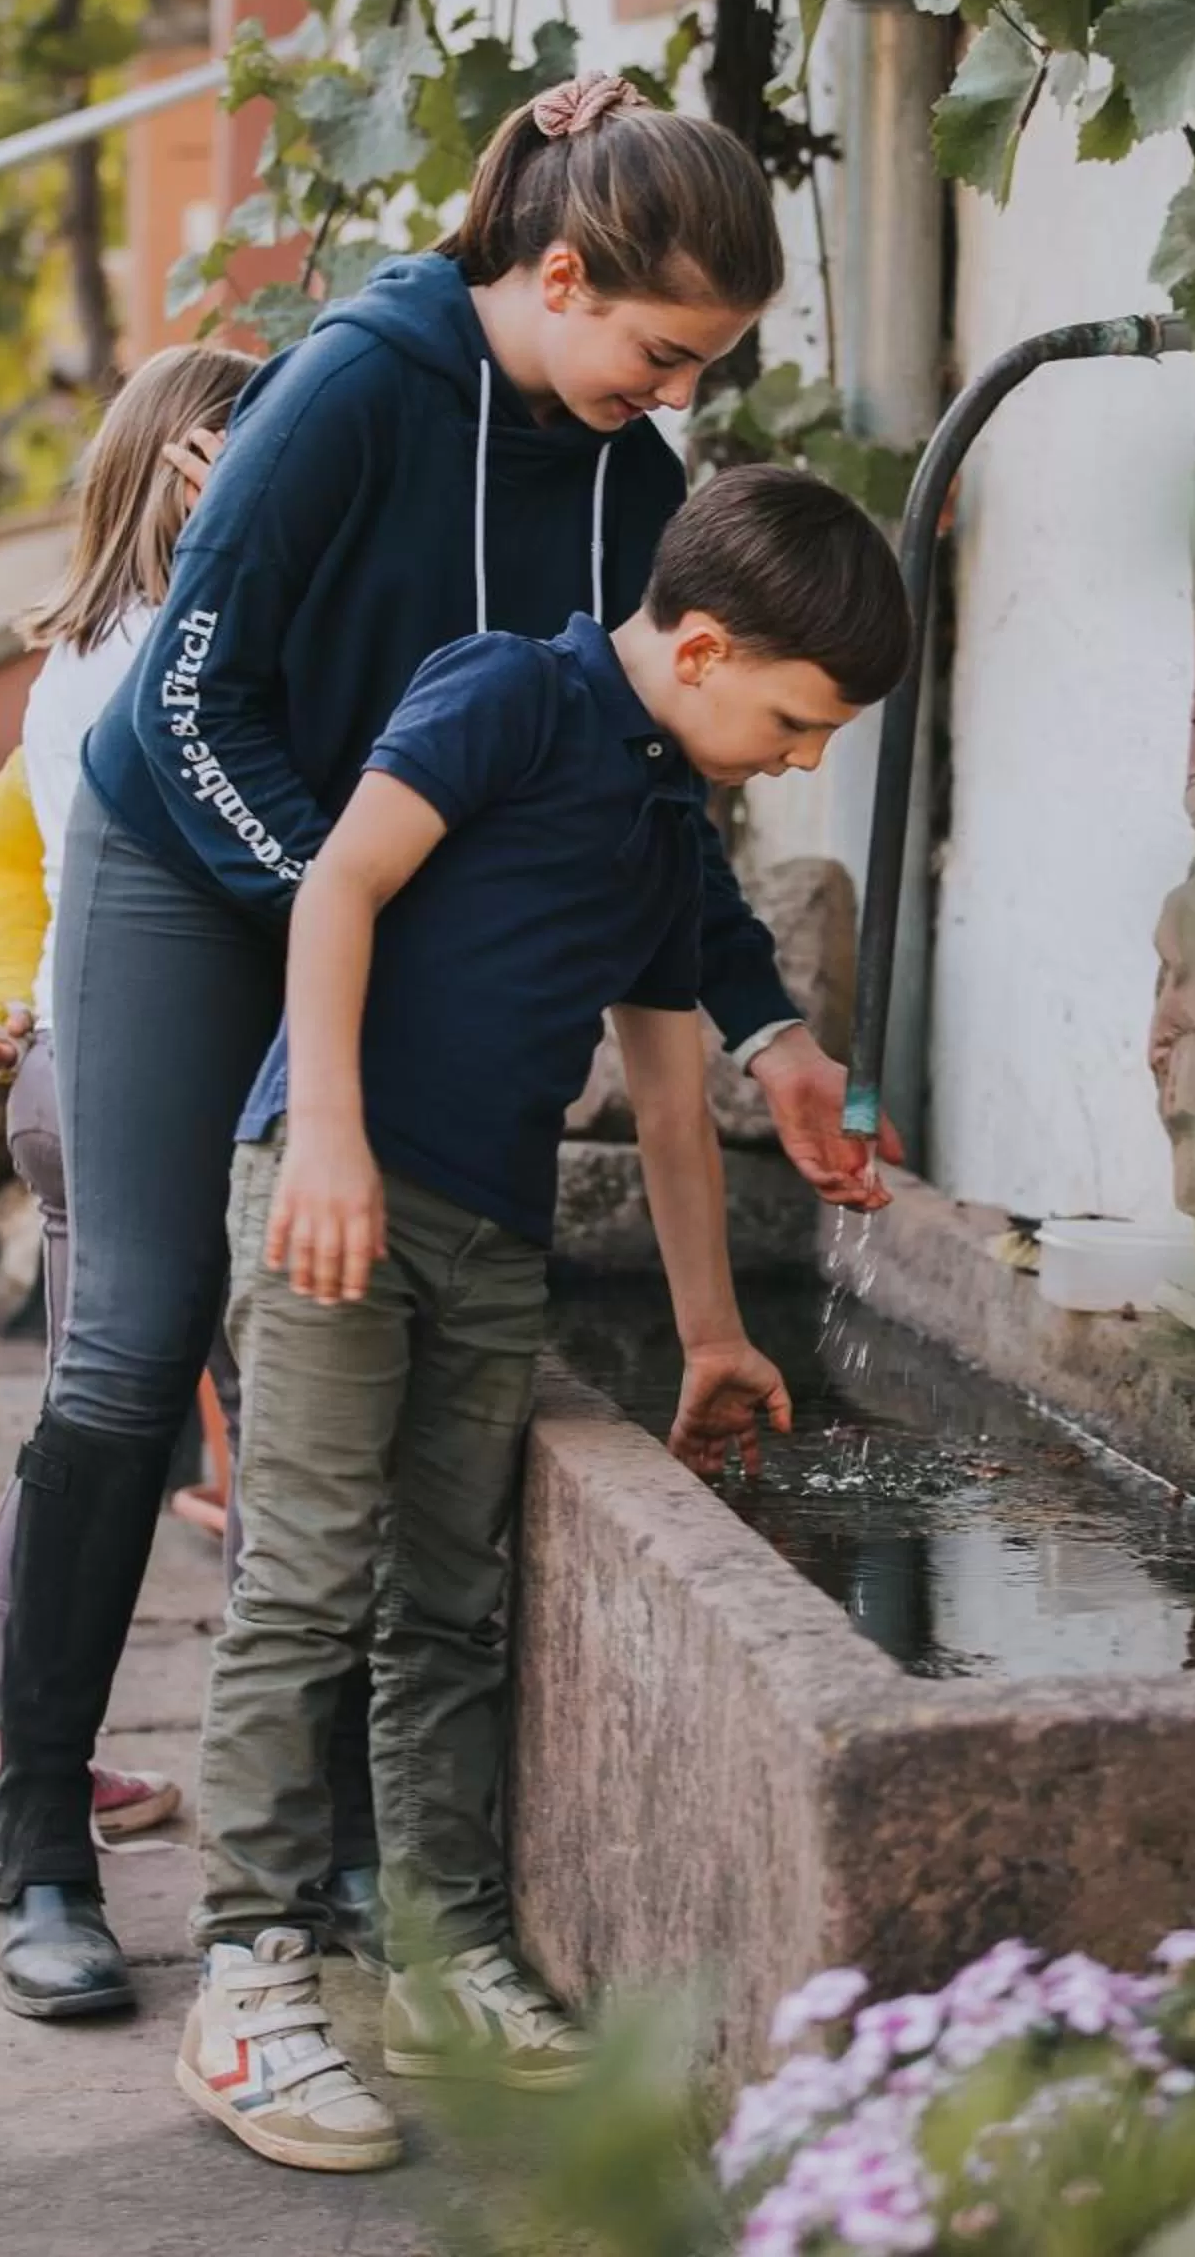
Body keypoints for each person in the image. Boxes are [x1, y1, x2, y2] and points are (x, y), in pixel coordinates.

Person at [0, 75, 903, 2017]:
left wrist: (765, 1023)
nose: (670, 398)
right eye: (657, 351)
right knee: (148, 1325)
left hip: (370, 893)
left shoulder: (633, 483)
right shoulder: (353, 385)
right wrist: (357, 902)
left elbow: (651, 806)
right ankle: (42, 1831)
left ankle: (335, 1841)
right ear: (555, 275)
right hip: (205, 854)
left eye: (704, 371)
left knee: (332, 1357)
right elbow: (194, 701)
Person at [174, 465, 913, 2170]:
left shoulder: (664, 814)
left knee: (452, 1594)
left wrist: (716, 1329)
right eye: (800, 721)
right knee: (304, 1577)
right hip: (334, 1186)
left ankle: (439, 1953)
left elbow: (667, 1088)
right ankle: (251, 1976)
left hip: (489, 1230)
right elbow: (340, 889)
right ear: (710, 647)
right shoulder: (503, 690)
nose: (805, 758)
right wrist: (331, 1140)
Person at [0, 346, 251, 1861]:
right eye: (251, 463)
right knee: (225, 1421)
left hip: (67, 1075)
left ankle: (14, 1750)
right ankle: (270, 1769)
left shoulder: (74, 656)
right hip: (146, 1071)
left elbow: (17, 848)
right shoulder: (173, 660)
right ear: (192, 476)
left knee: (81, 1426)